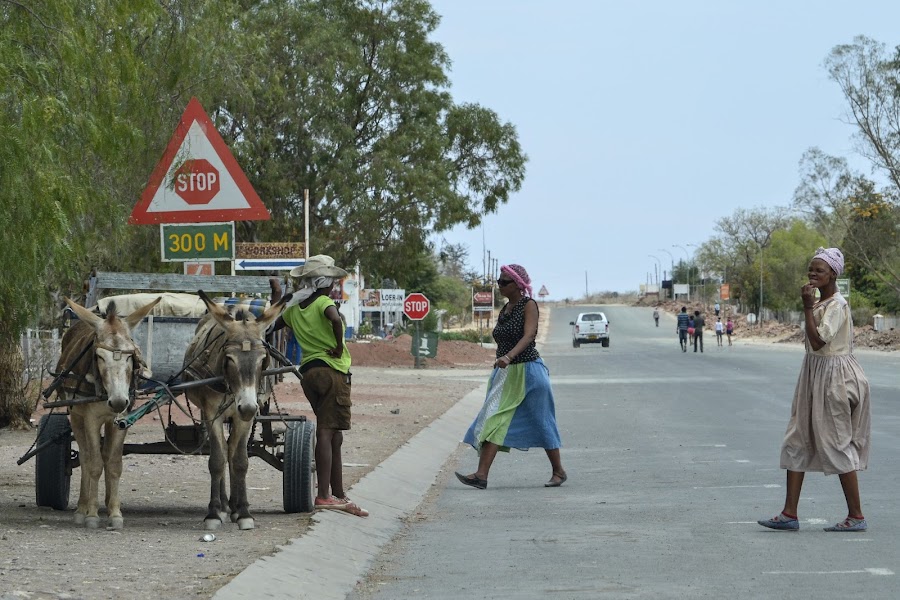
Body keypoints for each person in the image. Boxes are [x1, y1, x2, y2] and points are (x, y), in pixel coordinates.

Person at [758, 247, 871, 532]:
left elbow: (819, 341)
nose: (813, 274)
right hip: (813, 373)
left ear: (833, 273)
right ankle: (789, 513)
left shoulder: (837, 305)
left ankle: (856, 515)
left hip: (835, 377)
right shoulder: (823, 303)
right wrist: (810, 306)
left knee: (836, 442)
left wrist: (807, 307)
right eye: (811, 269)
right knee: (796, 439)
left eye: (819, 270)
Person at [455, 263, 566, 489]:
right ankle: (481, 475)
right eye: (498, 282)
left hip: (529, 372)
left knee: (542, 420)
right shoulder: (505, 309)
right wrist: (503, 361)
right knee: (495, 419)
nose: (499, 286)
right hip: (506, 375)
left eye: (504, 282)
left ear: (518, 285)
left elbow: (529, 335)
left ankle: (559, 471)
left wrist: (508, 356)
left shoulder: (529, 305)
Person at [274, 255, 369, 517]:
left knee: (334, 434)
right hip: (332, 372)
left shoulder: (294, 310)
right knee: (327, 432)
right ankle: (324, 496)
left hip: (309, 374)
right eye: (332, 282)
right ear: (323, 282)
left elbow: (273, 324)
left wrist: (277, 300)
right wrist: (338, 346)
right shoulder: (325, 303)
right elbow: (335, 320)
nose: (335, 287)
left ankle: (338, 493)